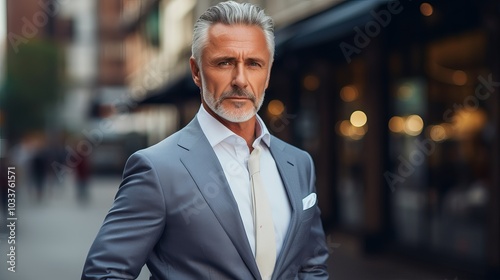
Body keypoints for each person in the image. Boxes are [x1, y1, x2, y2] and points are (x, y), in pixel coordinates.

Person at [82, 1, 329, 279]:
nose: (240, 79)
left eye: (254, 64)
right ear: (196, 71)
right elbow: (104, 272)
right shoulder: (157, 169)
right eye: (224, 62)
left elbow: (312, 265)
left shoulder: (298, 163)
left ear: (268, 73)